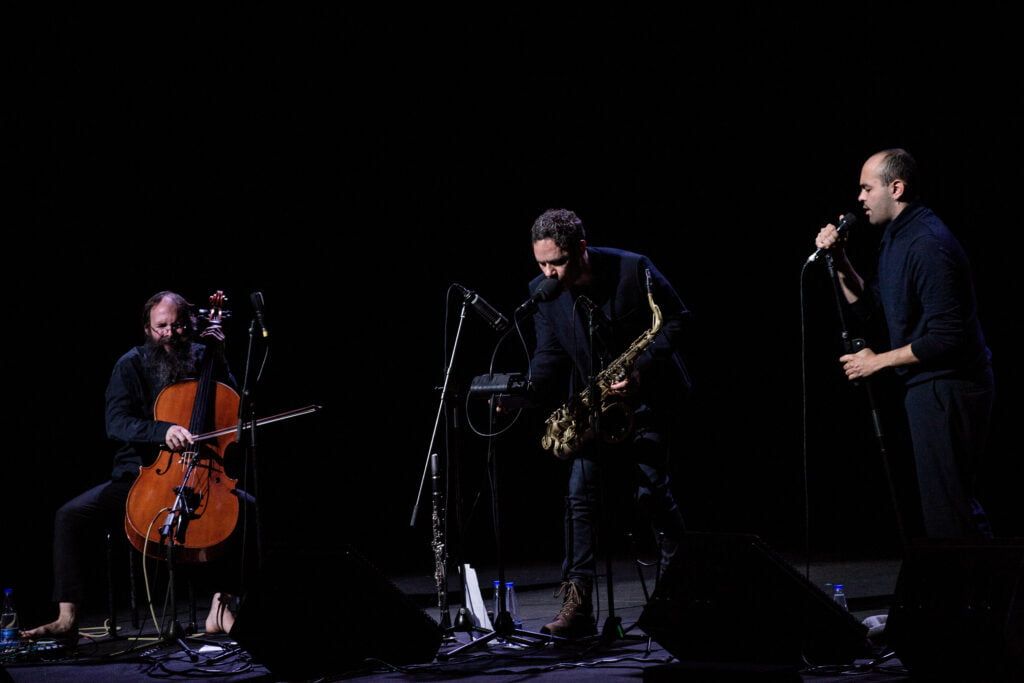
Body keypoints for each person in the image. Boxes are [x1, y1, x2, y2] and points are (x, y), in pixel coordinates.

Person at [23, 291, 244, 640]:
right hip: (143, 476)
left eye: (180, 325)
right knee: (69, 515)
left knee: (245, 510)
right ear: (148, 328)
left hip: (203, 473)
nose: (171, 333)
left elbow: (232, 410)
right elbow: (117, 423)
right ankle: (67, 617)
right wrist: (162, 430)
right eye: (162, 326)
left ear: (191, 325)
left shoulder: (205, 357)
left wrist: (221, 357)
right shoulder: (131, 364)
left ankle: (220, 606)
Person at [525, 208, 692, 638]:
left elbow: (677, 319)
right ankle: (578, 605)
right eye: (541, 263)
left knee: (652, 493)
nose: (549, 274)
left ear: (581, 249)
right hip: (596, 407)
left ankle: (678, 593)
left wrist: (643, 369)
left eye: (557, 263)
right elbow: (549, 355)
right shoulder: (544, 292)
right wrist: (523, 392)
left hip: (650, 399)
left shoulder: (633, 268)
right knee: (579, 495)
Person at [814, 148, 994, 538]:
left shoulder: (928, 243)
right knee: (945, 505)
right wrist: (841, 260)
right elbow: (873, 308)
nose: (859, 198)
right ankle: (974, 593)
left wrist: (877, 362)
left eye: (866, 188)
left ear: (895, 188)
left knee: (951, 509)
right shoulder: (896, 238)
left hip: (951, 386)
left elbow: (948, 337)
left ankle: (977, 596)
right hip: (927, 385)